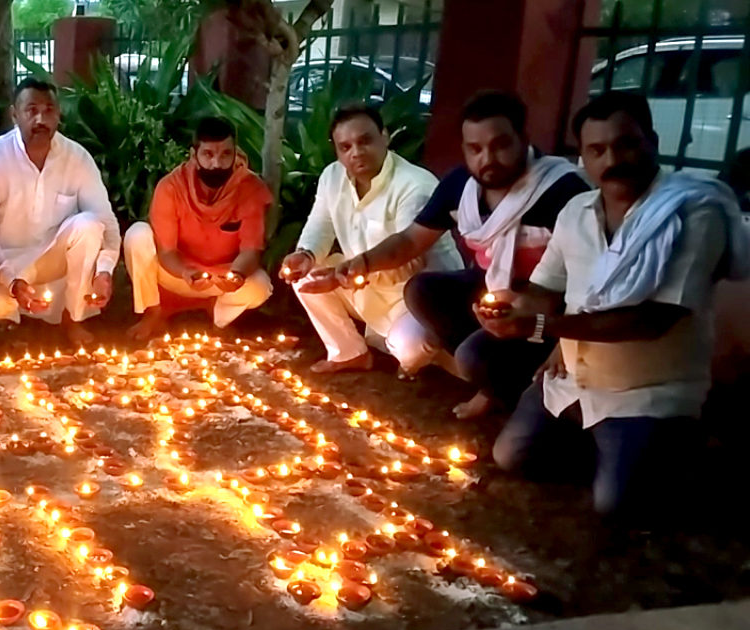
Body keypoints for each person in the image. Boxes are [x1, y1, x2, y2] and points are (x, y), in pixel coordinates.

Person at [483, 92, 749, 515]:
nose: (613, 160)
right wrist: (505, 307)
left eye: (626, 144)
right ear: (584, 158)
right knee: (510, 456)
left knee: (617, 504)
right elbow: (545, 289)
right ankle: (612, 450)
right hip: (572, 379)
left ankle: (669, 448)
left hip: (648, 391)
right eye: (597, 150)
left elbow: (653, 320)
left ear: (652, 142)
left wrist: (544, 328)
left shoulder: (693, 214)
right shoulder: (577, 211)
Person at [335, 91, 590, 418]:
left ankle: (515, 392)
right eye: (475, 149)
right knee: (423, 290)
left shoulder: (562, 191)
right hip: (495, 292)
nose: (487, 158)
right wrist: (364, 262)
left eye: (500, 145)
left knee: (472, 357)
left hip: (550, 311)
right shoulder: (461, 186)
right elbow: (411, 241)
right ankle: (493, 381)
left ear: (523, 139)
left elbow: (589, 284)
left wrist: (558, 337)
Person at [280, 104, 462, 374]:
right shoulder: (333, 176)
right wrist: (305, 254)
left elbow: (410, 260)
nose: (356, 152)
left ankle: (433, 348)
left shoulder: (415, 185)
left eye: (365, 141)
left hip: (418, 294)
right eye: (345, 147)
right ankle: (348, 353)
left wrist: (345, 274)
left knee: (410, 347)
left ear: (384, 136)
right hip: (363, 281)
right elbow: (321, 224)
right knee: (303, 275)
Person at [0, 78, 120, 344]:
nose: (40, 119)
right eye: (31, 110)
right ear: (14, 115)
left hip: (54, 257)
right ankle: (11, 314)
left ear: (58, 114)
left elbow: (105, 219)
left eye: (49, 110)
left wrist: (104, 271)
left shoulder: (76, 157)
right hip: (8, 262)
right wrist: (12, 280)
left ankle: (73, 318)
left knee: (89, 225)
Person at [124, 116, 273, 340]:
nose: (217, 164)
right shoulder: (171, 187)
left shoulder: (250, 188)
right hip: (178, 273)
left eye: (225, 154)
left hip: (223, 276)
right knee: (137, 235)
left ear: (235, 154)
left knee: (260, 286)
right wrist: (186, 272)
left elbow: (251, 251)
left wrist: (237, 275)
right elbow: (167, 252)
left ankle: (220, 319)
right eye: (208, 154)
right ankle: (153, 313)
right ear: (194, 155)